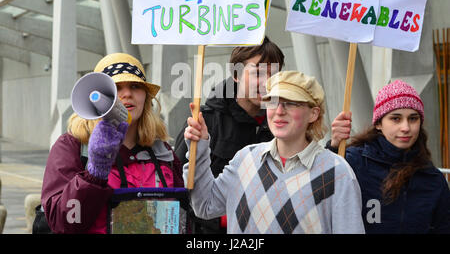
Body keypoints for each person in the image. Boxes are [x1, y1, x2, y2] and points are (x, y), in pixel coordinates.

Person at [183, 71, 365, 234]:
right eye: (273, 101)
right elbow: (205, 206)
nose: (279, 111)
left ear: (313, 114)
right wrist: (198, 149)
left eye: (290, 103)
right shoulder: (245, 159)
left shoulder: (338, 172)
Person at [41, 53, 184, 234]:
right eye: (116, 87)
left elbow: (181, 215)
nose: (127, 94)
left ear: (146, 98)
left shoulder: (162, 150)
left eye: (135, 86)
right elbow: (62, 223)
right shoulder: (71, 147)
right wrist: (94, 176)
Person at [174, 36, 285, 233]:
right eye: (258, 73)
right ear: (236, 74)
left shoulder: (284, 123)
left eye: (273, 74)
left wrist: (334, 146)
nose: (266, 82)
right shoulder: (203, 121)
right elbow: (177, 186)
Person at [328, 80, 450, 234]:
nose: (405, 128)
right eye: (396, 118)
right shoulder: (352, 163)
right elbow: (320, 197)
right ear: (379, 123)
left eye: (413, 118)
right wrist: (333, 147)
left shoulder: (434, 180)